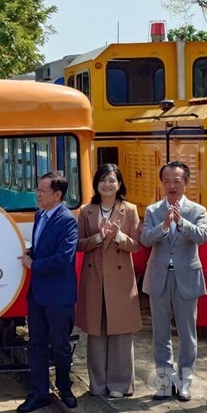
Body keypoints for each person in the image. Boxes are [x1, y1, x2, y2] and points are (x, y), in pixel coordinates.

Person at [140, 161, 207, 402]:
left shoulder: (197, 210)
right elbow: (145, 239)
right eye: (167, 181)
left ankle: (185, 382)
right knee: (160, 334)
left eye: (177, 181)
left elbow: (203, 237)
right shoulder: (152, 210)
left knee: (187, 334)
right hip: (159, 277)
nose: (171, 185)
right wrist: (164, 226)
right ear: (161, 183)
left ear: (186, 183)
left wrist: (181, 222)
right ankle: (165, 382)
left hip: (186, 277)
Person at [76, 164, 142, 398]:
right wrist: (98, 237)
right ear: (96, 184)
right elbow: (79, 244)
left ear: (120, 184)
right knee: (96, 332)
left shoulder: (130, 209)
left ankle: (121, 385)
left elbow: (137, 244)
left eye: (112, 180)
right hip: (94, 278)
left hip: (121, 279)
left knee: (121, 333)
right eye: (103, 180)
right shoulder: (87, 210)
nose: (107, 184)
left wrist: (119, 237)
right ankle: (98, 384)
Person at [16, 172, 79, 413]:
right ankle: (38, 393)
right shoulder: (39, 215)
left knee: (60, 345)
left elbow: (64, 258)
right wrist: (32, 253)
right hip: (38, 294)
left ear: (57, 194)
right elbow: (43, 248)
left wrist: (35, 265)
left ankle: (65, 387)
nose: (38, 194)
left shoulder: (67, 220)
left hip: (59, 295)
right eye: (38, 189)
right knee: (37, 345)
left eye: (42, 191)